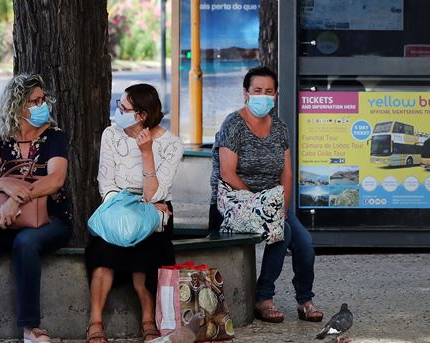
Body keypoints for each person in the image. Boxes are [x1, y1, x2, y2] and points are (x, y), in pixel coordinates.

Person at [209, 66, 323, 324]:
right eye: (257, 90)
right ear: (246, 93)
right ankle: (264, 298)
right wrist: (261, 204)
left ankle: (305, 300)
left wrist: (281, 206)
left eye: (268, 91)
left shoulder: (279, 127)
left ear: (276, 95)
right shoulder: (233, 124)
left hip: (272, 202)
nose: (263, 95)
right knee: (284, 231)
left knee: (304, 243)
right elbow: (227, 173)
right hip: (237, 202)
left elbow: (286, 172)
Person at [85, 83, 183, 343]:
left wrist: (146, 152)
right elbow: (106, 184)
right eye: (119, 104)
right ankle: (95, 321)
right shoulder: (111, 134)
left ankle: (148, 320)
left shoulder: (172, 145)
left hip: (154, 209)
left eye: (124, 107)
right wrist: (127, 211)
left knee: (148, 246)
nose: (118, 111)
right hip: (117, 205)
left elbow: (156, 195)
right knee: (103, 248)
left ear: (141, 115)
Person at [0, 74, 72, 343]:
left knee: (26, 243)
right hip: (4, 221)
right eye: (35, 100)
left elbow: (55, 179)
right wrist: (5, 184)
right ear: (17, 106)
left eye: (43, 99)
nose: (42, 105)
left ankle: (30, 328)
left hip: (51, 220)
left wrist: (16, 200)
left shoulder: (54, 138)